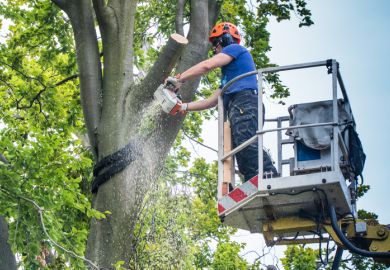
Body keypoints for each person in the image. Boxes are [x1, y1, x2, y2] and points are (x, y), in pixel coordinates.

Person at [173, 22, 278, 181]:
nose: (214, 49)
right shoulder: (229, 78)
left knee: (246, 143)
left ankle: (270, 177)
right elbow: (210, 102)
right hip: (240, 106)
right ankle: (254, 180)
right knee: (241, 150)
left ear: (226, 38)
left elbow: (207, 65)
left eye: (216, 43)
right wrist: (183, 106)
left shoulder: (235, 49)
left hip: (245, 102)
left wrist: (179, 79)